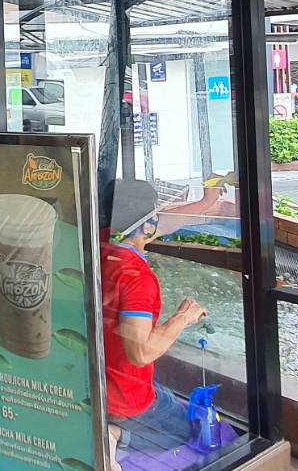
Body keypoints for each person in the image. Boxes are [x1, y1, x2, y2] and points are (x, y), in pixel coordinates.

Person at [101, 179, 207, 470]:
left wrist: (206, 202)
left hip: (96, 381)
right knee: (184, 430)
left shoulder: (100, 246)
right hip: (121, 397)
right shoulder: (136, 277)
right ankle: (114, 435)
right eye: (155, 214)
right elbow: (140, 353)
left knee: (168, 397)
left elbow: (163, 223)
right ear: (148, 224)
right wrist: (183, 318)